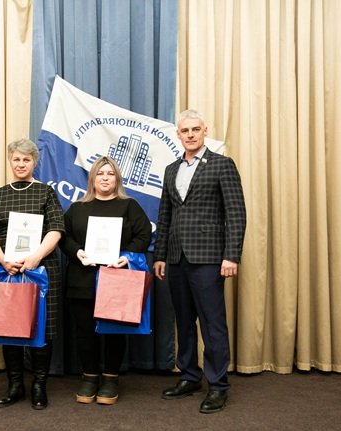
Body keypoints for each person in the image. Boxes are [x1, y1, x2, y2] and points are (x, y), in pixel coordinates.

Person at [153, 109, 247, 414]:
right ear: (178, 135)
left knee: (212, 322)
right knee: (184, 321)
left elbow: (236, 213)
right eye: (185, 130)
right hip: (176, 258)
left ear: (205, 131)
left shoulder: (222, 165)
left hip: (209, 258)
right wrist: (160, 255)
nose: (190, 134)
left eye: (195, 129)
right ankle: (190, 376)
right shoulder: (171, 170)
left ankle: (218, 385)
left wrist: (231, 255)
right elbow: (165, 215)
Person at [0, 138, 64, 410]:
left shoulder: (46, 193)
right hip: (7, 270)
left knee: (42, 326)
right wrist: (3, 259)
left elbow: (56, 229)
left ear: (34, 162)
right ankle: (15, 386)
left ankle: (39, 386)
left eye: (26, 160)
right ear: (10, 161)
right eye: (16, 159)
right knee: (10, 327)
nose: (20, 164)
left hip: (41, 270)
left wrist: (35, 257)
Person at [60, 156, 151, 405]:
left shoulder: (129, 206)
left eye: (110, 174)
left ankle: (111, 377)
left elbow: (144, 235)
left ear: (117, 179)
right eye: (100, 173)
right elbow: (63, 237)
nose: (105, 178)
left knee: (114, 331)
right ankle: (89, 376)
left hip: (117, 279)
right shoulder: (77, 208)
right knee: (84, 331)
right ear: (92, 179)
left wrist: (126, 256)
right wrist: (77, 252)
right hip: (82, 278)